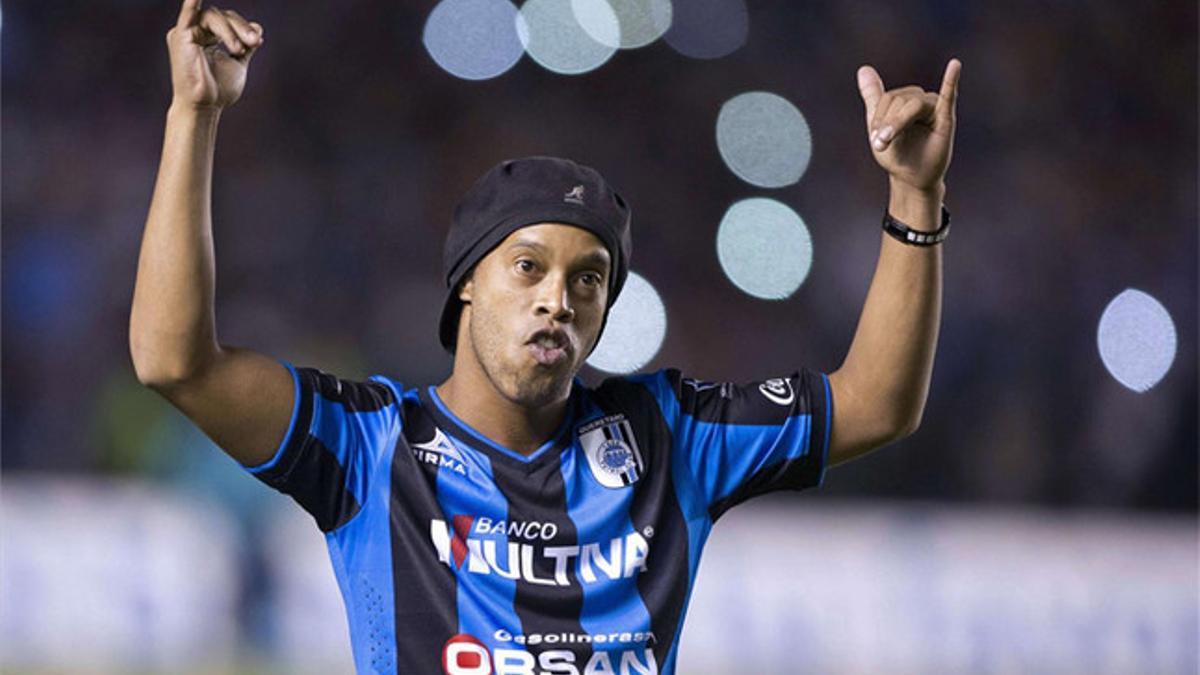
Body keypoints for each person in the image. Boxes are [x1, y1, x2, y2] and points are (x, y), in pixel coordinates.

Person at [129, 1, 961, 673]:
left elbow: (877, 404)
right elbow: (173, 362)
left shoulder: (666, 437)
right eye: (527, 267)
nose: (557, 300)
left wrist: (915, 199)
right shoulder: (371, 446)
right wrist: (192, 115)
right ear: (466, 283)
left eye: (588, 279)